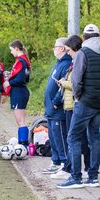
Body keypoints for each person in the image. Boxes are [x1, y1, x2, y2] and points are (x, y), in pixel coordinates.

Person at [58, 24, 100, 189]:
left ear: (84, 38)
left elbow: (76, 80)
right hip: (98, 103)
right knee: (95, 139)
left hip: (85, 102)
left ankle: (76, 177)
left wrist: (78, 96)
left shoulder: (83, 52)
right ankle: (93, 177)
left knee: (73, 137)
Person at [51, 35, 90, 180]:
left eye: (68, 50)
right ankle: (76, 168)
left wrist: (63, 82)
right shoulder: (74, 62)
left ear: (74, 48)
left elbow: (76, 84)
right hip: (69, 105)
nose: (67, 53)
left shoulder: (78, 61)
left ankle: (75, 170)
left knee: (76, 138)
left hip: (74, 105)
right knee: (77, 138)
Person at [42, 37, 72, 175]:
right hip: (50, 109)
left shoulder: (66, 64)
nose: (53, 49)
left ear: (61, 48)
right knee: (53, 136)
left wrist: (55, 102)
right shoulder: (58, 63)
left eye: (55, 46)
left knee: (60, 136)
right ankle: (55, 161)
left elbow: (63, 85)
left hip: (57, 108)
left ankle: (65, 163)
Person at [3, 40, 31, 147]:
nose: (11, 52)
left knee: (21, 121)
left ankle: (24, 145)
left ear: (16, 49)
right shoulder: (25, 61)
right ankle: (22, 143)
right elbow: (26, 78)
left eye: (11, 50)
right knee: (20, 120)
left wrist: (8, 82)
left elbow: (20, 79)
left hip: (19, 92)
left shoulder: (20, 61)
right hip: (21, 91)